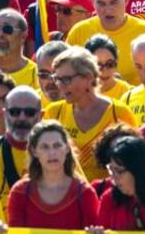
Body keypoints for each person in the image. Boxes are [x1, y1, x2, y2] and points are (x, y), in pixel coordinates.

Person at [45, 46, 136, 181]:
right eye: (57, 79)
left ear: (88, 77)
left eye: (67, 79)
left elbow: (133, 162)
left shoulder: (119, 113)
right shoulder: (54, 113)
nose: (60, 85)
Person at [66, 0, 145, 85]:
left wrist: (123, 88)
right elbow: (67, 78)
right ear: (92, 2)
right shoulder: (79, 32)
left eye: (114, 2)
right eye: (101, 4)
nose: (108, 10)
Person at [7, 120, 99, 229]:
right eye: (45, 147)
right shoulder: (20, 192)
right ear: (34, 151)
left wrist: (96, 233)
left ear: (67, 149)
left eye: (57, 146)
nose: (52, 153)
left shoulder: (85, 193)